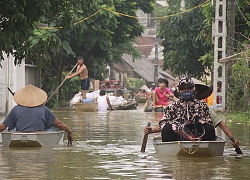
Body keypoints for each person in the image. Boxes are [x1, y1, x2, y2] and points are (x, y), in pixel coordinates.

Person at [144, 77, 240, 148]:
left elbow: (217, 123)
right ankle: (171, 149)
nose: (186, 91)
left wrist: (232, 138)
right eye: (183, 89)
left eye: (188, 88)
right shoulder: (172, 107)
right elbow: (164, 124)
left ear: (193, 90)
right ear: (179, 90)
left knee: (209, 128)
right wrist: (151, 130)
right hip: (178, 135)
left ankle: (205, 149)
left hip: (198, 136)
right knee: (166, 129)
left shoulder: (202, 106)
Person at [0, 85, 74, 145]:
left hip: (19, 136)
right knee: (53, 127)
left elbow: (2, 127)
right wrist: (69, 132)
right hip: (39, 136)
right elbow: (59, 124)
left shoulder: (15, 109)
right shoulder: (44, 109)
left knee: (11, 128)